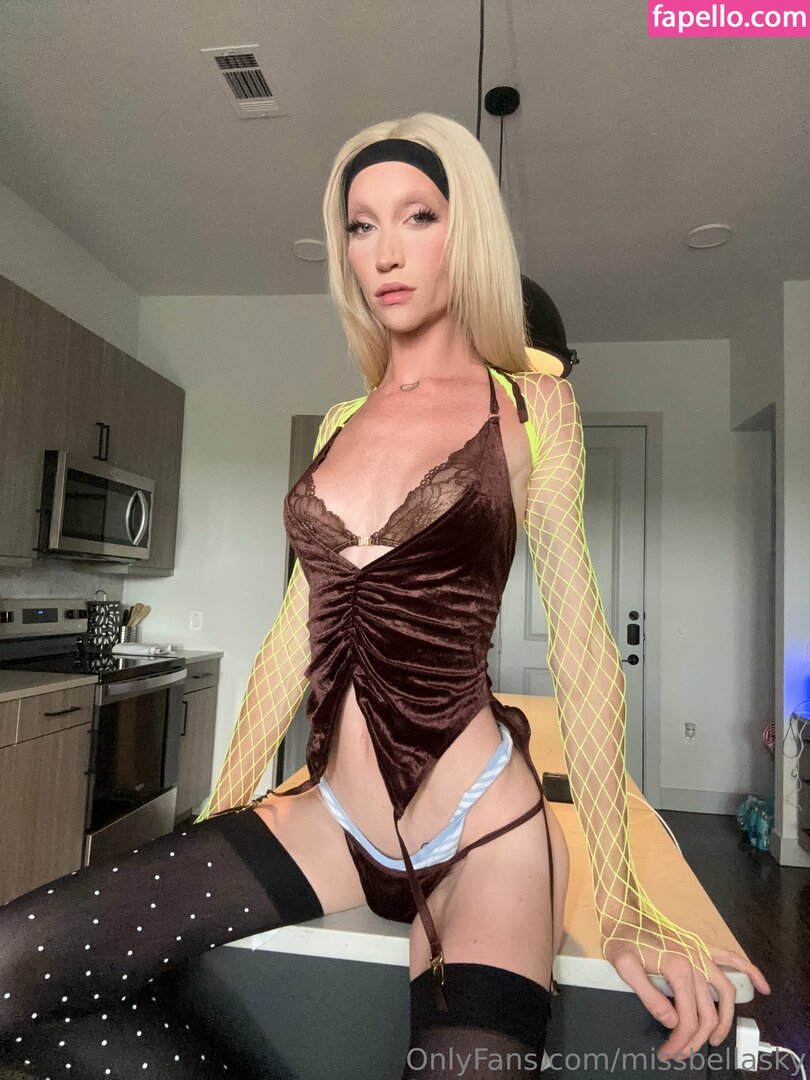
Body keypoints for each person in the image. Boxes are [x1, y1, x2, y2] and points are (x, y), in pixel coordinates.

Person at [0, 112, 770, 1079]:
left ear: (466, 232)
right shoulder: (341, 420)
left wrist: (620, 901)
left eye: (418, 216)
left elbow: (581, 646)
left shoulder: (536, 406)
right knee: (15, 969)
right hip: (331, 814)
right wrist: (224, 809)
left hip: (482, 827)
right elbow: (291, 639)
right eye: (360, 226)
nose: (385, 252)